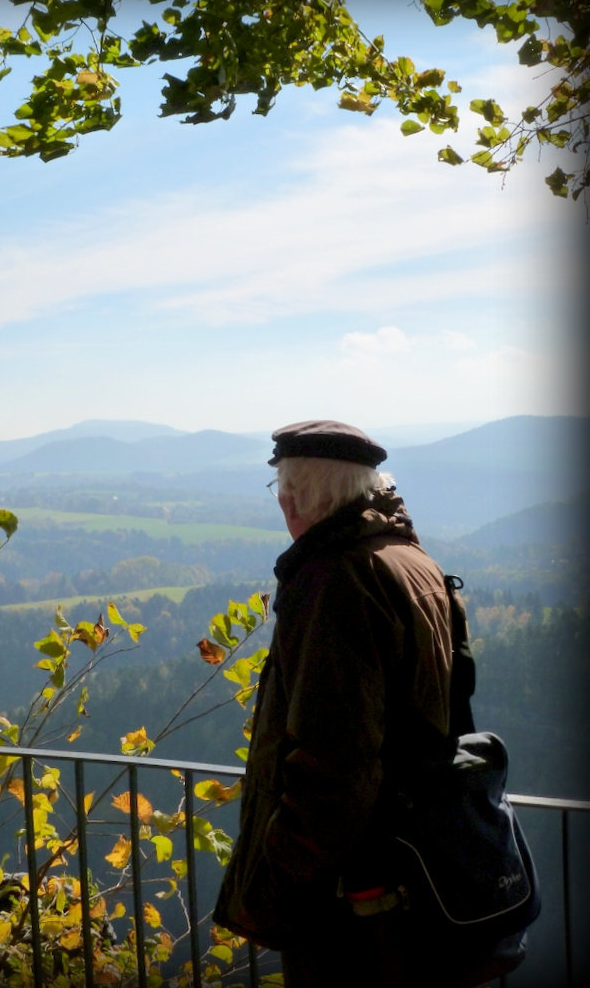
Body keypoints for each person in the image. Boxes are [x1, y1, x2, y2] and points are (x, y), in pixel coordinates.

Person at [213, 419, 470, 987]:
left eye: (281, 489)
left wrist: (278, 878)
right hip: (416, 856)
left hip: (354, 889)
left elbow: (334, 758)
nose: (280, 503)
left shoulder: (336, 579)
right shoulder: (406, 557)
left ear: (299, 495)